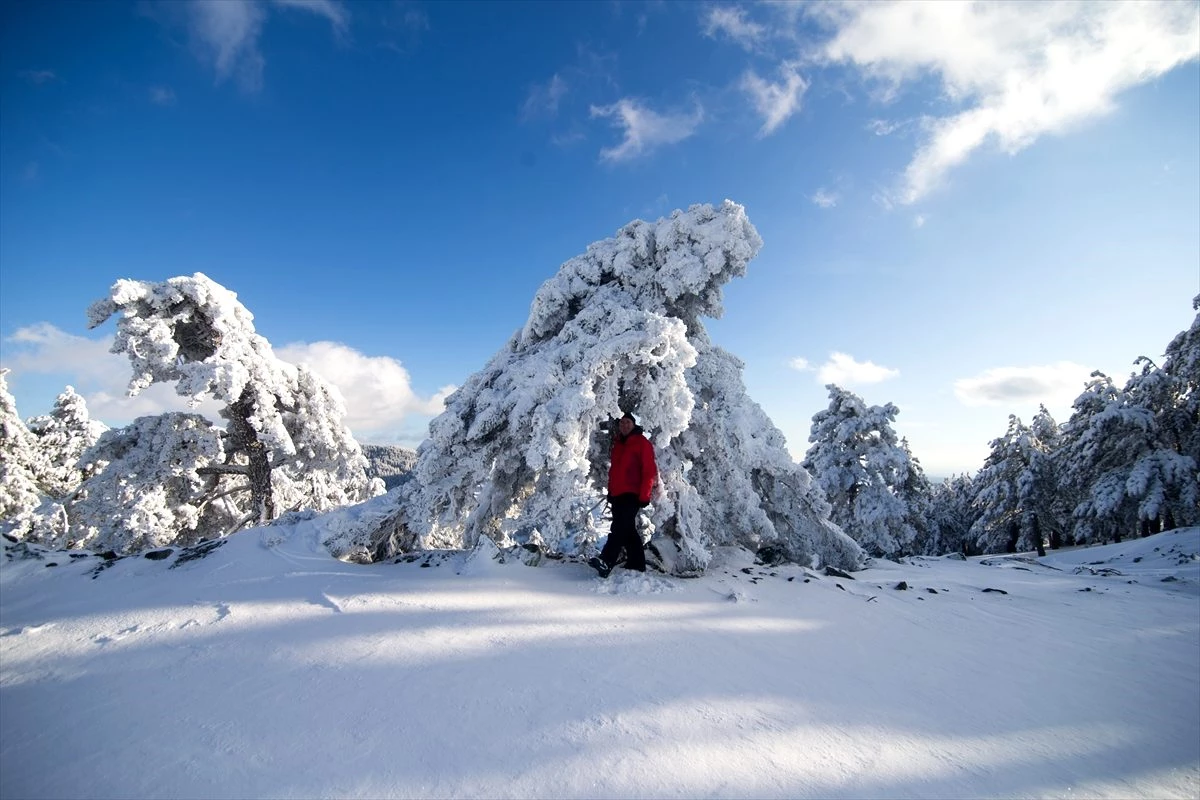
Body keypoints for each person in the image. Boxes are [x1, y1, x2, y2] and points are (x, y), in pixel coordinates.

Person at [590, 412, 658, 577]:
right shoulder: (619, 443)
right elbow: (614, 471)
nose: (624, 425)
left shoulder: (642, 443)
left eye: (628, 422)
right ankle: (637, 563)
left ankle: (606, 561)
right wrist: (611, 492)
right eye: (622, 423)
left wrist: (644, 495)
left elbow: (649, 471)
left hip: (632, 494)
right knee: (628, 530)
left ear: (634, 424)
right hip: (618, 494)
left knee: (618, 528)